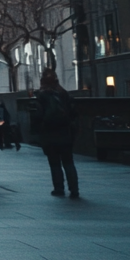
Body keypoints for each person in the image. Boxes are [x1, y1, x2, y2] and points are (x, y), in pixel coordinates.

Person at [33, 69, 79, 198]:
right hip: (65, 132)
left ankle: (58, 188)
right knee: (68, 162)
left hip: (50, 133)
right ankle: (74, 189)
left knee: (54, 163)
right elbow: (74, 113)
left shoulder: (42, 96)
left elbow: (38, 115)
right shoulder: (64, 95)